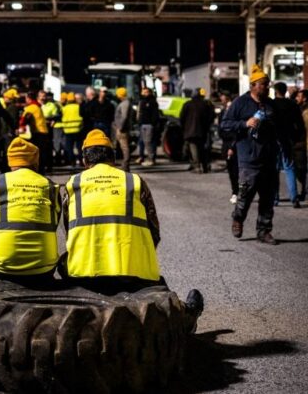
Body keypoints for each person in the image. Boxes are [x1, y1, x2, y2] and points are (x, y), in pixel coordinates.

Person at [60, 129, 204, 325]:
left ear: (85, 161)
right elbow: (154, 231)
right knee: (159, 295)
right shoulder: (134, 182)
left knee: (62, 261)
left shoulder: (72, 184)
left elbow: (69, 231)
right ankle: (186, 317)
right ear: (113, 158)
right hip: (133, 274)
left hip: (85, 276)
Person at [0, 137, 60, 285]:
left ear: (11, 162)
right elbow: (53, 225)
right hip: (44, 268)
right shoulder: (51, 186)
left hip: (1, 267)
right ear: (36, 162)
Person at [229, 65, 279, 245]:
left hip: (269, 158)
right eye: (263, 84)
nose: (266, 87)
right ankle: (238, 219)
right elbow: (225, 125)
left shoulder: (270, 104)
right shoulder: (240, 103)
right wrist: (245, 124)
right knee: (245, 196)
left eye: (267, 84)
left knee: (267, 198)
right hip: (248, 159)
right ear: (254, 85)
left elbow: (279, 127)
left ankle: (264, 231)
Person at [271, 82, 305, 208]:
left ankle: (274, 198)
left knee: (274, 170)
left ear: (275, 91)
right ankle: (294, 198)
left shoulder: (271, 104)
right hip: (287, 140)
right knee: (289, 168)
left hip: (274, 140)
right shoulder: (292, 105)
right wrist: (295, 138)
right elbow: (300, 124)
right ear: (285, 91)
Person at [179, 88, 214, 173]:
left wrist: (184, 128)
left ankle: (197, 166)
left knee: (193, 149)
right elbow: (211, 117)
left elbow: (182, 118)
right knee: (203, 148)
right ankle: (205, 166)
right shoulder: (207, 104)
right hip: (203, 131)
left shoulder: (187, 104)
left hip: (190, 131)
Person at [20, 93, 50, 174]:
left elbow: (24, 119)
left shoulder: (31, 108)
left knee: (37, 154)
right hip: (43, 132)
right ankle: (42, 171)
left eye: (26, 98)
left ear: (29, 99)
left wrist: (21, 127)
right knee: (42, 153)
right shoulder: (37, 106)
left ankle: (38, 171)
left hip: (38, 133)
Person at [218, 91, 239, 204]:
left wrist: (232, 146)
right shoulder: (223, 112)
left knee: (237, 170)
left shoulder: (234, 113)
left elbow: (236, 131)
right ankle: (235, 191)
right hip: (226, 143)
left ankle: (237, 192)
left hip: (234, 144)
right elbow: (221, 128)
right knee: (232, 170)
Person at [137, 87, 160, 166]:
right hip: (143, 124)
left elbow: (155, 114)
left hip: (148, 124)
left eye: (146, 92)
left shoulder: (152, 102)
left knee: (148, 142)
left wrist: (152, 123)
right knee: (143, 142)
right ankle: (145, 157)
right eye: (143, 92)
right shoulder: (142, 101)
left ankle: (151, 159)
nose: (144, 93)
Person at [59, 92, 83, 169]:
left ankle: (72, 162)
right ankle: (81, 161)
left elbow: (61, 118)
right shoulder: (78, 107)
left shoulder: (64, 108)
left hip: (67, 130)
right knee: (79, 147)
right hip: (78, 129)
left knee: (69, 147)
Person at [113, 87, 134, 172]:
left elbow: (124, 116)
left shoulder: (125, 103)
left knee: (125, 147)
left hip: (122, 129)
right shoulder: (126, 103)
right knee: (122, 147)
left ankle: (125, 165)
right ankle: (124, 164)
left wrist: (120, 127)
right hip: (122, 128)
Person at [41, 91, 63, 168]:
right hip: (44, 127)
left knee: (54, 145)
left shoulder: (54, 104)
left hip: (54, 126)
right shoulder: (41, 105)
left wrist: (49, 120)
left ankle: (56, 161)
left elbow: (57, 115)